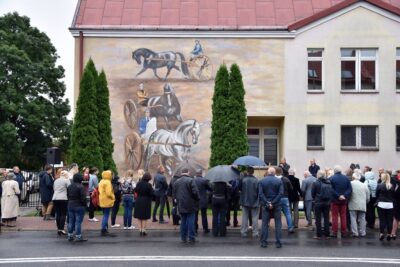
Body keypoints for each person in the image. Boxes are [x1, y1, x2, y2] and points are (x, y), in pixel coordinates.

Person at [172, 168, 200, 243]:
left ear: (181, 173)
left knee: (183, 221)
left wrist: (177, 201)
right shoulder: (191, 180)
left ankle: (183, 237)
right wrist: (197, 199)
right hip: (190, 203)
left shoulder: (177, 181)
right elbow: (195, 192)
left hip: (181, 203)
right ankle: (191, 237)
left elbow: (173, 194)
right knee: (191, 221)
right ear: (188, 172)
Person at [259, 167, 283, 248]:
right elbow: (280, 194)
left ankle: (264, 242)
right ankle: (278, 242)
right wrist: (273, 202)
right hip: (276, 205)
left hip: (265, 205)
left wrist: (267, 202)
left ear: (268, 172)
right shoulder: (279, 181)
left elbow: (261, 194)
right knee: (278, 224)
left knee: (265, 224)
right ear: (274, 173)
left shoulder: (262, 181)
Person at [330, 165, 352, 238]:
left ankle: (334, 232)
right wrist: (344, 195)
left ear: (334, 171)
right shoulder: (346, 178)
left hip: (335, 200)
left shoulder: (331, 178)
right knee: (343, 216)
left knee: (335, 216)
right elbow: (350, 189)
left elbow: (331, 189)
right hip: (343, 200)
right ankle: (343, 232)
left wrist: (338, 196)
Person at [239, 167, 260, 238]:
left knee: (245, 217)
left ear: (247, 172)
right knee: (255, 217)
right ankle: (255, 233)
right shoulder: (256, 180)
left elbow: (239, 189)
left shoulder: (243, 180)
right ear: (253, 172)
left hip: (245, 200)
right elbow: (258, 191)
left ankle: (243, 232)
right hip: (254, 200)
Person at [312, 170, 333, 239]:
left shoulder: (315, 183)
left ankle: (319, 234)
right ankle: (327, 234)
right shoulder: (329, 182)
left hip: (318, 202)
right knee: (326, 219)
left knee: (318, 219)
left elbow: (313, 194)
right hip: (327, 203)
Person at [67, 173, 87, 242]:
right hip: (79, 205)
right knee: (78, 222)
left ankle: (70, 235)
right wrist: (84, 205)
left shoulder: (69, 186)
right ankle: (78, 236)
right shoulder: (81, 186)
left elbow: (68, 195)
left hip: (70, 205)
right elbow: (83, 198)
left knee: (71, 221)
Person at [348, 172, 370, 237]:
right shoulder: (364, 185)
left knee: (353, 218)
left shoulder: (350, 184)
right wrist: (366, 202)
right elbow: (368, 196)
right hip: (362, 203)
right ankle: (362, 232)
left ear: (353, 177)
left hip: (353, 203)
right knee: (362, 218)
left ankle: (355, 232)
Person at [376, 173, 394, 241]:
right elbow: (393, 196)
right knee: (389, 220)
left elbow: (376, 194)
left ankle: (381, 233)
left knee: (382, 220)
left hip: (381, 204)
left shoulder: (379, 185)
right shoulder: (391, 186)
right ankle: (389, 234)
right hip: (390, 204)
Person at [276, 167, 294, 233]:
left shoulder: (274, 179)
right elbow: (291, 188)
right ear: (282, 172)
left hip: (277, 198)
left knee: (277, 213)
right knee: (288, 213)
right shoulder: (286, 179)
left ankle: (278, 227)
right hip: (285, 197)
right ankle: (290, 227)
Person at [52, 170, 70, 236]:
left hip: (55, 198)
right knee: (63, 214)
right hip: (63, 198)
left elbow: (54, 189)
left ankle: (58, 229)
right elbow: (70, 188)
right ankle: (62, 229)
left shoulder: (56, 180)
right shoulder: (66, 180)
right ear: (65, 175)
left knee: (58, 213)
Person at [194, 169, 211, 233]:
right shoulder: (204, 180)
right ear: (201, 173)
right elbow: (210, 188)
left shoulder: (193, 180)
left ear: (196, 173)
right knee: (204, 215)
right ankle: (205, 228)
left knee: (195, 215)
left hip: (195, 200)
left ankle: (195, 228)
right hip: (203, 199)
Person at [99, 170, 115, 236]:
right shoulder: (108, 182)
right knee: (106, 215)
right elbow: (109, 193)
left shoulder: (101, 181)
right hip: (107, 200)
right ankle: (103, 229)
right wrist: (113, 196)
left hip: (102, 200)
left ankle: (105, 228)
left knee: (104, 214)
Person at [390, 173, 400, 240]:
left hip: (397, 204)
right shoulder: (396, 185)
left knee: (395, 219)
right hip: (397, 204)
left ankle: (393, 233)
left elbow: (394, 194)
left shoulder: (396, 185)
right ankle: (393, 233)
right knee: (396, 219)